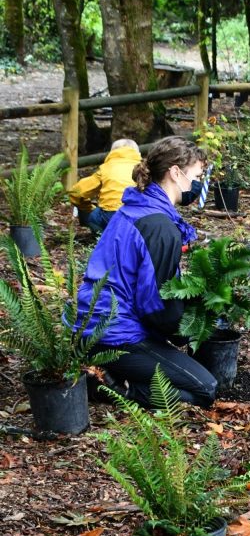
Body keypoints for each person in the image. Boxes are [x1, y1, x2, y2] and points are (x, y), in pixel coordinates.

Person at [73, 136, 217, 408]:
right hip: (114, 334)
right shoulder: (159, 227)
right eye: (196, 176)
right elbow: (154, 305)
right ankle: (113, 388)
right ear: (176, 173)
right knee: (205, 389)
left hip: (94, 324)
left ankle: (111, 373)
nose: (197, 184)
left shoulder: (135, 207)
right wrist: (188, 330)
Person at [68, 138, 142, 234]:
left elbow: (76, 193)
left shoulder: (106, 168)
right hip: (139, 216)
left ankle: (101, 238)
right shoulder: (143, 169)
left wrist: (88, 208)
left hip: (111, 214)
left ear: (112, 152)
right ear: (137, 153)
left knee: (93, 217)